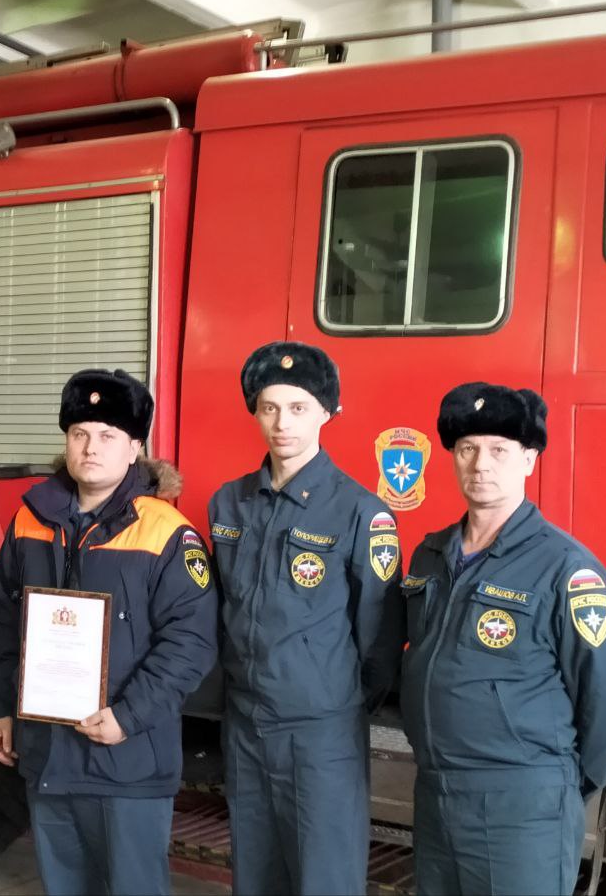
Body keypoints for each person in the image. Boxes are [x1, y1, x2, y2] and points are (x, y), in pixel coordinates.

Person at [0, 368, 218, 896]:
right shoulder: (30, 523)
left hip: (127, 761)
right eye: (80, 433)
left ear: (135, 448)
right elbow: (0, 621)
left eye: (108, 436)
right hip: (48, 755)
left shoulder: (166, 533)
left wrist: (128, 716)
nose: (91, 447)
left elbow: (191, 642)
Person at [401, 382, 606, 895]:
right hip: (437, 794)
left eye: (499, 450)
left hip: (522, 807)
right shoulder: (430, 555)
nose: (480, 464)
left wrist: (559, 787)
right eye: (467, 449)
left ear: (529, 460)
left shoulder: (566, 568)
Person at [207, 341, 405, 896]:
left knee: (326, 878)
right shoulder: (228, 503)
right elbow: (222, 608)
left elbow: (379, 636)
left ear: (326, 413)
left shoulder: (361, 511)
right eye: (269, 407)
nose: (282, 424)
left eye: (298, 408)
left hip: (321, 732)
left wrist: (331, 699)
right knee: (255, 875)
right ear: (254, 411)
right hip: (245, 724)